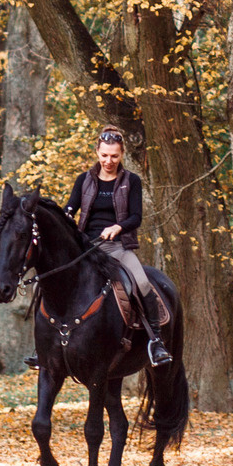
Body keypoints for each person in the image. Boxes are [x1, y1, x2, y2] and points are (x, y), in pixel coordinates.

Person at [65, 128, 175, 368]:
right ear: (97, 152)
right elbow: (71, 208)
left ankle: (155, 341)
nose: (108, 161)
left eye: (114, 156)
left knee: (143, 282)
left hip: (117, 247)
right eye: (104, 155)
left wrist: (118, 227)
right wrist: (64, 218)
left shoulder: (131, 181)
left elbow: (136, 217)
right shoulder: (84, 180)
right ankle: (44, 343)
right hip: (85, 247)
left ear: (122, 154)